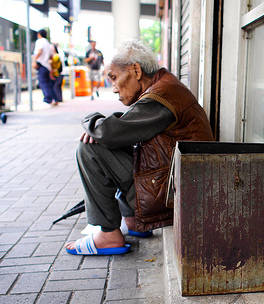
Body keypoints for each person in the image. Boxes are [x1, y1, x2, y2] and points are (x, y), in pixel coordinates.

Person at [65, 39, 214, 255]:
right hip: (176, 187)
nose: (114, 88)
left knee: (88, 149)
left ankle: (108, 234)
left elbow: (108, 132)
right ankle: (133, 219)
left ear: (136, 70)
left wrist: (91, 121)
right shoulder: (164, 87)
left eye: (114, 78)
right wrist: (101, 132)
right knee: (111, 144)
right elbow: (121, 130)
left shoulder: (161, 96)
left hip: (176, 195)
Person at [33, 29, 57, 105]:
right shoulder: (48, 43)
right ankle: (50, 99)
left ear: (39, 34)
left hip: (41, 64)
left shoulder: (40, 41)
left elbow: (39, 51)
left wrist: (35, 60)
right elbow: (51, 56)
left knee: (43, 83)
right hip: (47, 66)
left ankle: (47, 99)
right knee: (48, 83)